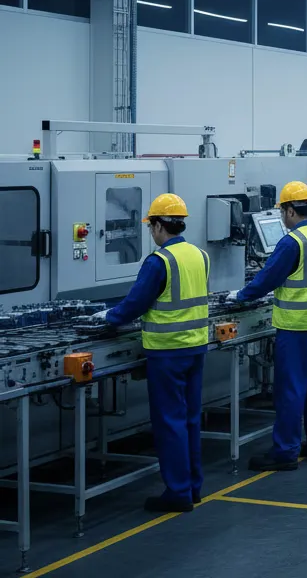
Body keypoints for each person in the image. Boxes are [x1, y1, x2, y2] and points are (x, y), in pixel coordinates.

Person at [89, 194, 209, 512]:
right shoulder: (199, 255)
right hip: (196, 346)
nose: (150, 232)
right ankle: (194, 486)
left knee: (170, 421)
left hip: (168, 352)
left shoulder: (159, 261)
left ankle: (178, 492)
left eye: (150, 226)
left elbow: (136, 303)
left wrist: (108, 317)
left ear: (157, 226)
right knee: (190, 419)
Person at [228, 181, 307, 468]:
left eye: (282, 211)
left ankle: (286, 451)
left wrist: (238, 296)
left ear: (289, 210)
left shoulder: (292, 242)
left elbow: (267, 279)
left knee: (291, 388)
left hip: (296, 324)